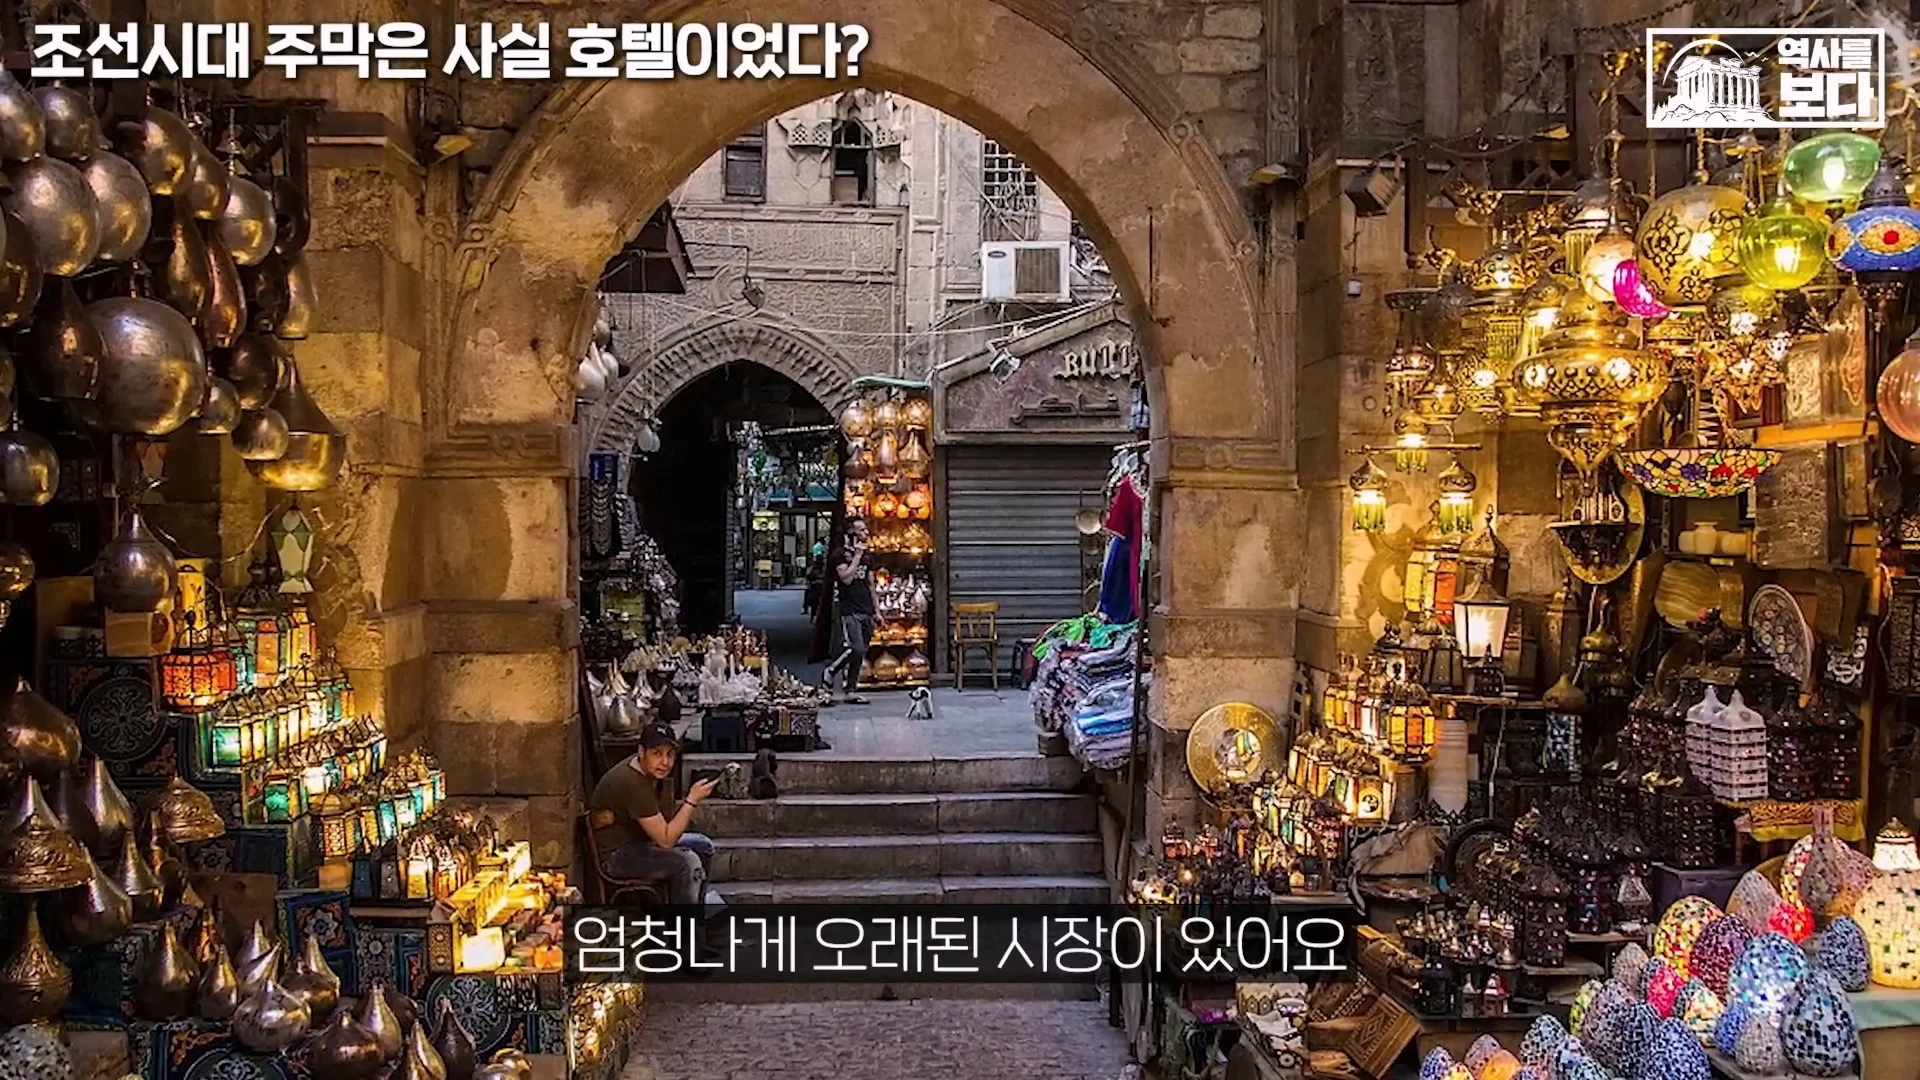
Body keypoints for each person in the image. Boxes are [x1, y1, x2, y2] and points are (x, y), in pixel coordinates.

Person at [588, 722, 719, 905]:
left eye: (670, 754)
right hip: (615, 856)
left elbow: (663, 826)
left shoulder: (647, 770)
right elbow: (666, 840)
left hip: (639, 841)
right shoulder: (632, 782)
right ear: (641, 752)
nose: (665, 762)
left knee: (703, 846)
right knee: (686, 862)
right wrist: (691, 800)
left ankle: (698, 908)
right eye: (657, 754)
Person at [820, 518, 874, 704]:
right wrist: (856, 557)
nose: (866, 533)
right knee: (855, 647)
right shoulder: (839, 555)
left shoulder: (867, 555)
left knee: (861, 650)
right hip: (849, 608)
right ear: (851, 534)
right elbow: (846, 578)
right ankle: (832, 671)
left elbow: (870, 583)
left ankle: (851, 689)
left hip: (866, 607)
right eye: (861, 530)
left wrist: (877, 609)